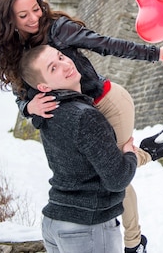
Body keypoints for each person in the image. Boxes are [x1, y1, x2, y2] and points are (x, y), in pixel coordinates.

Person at [0, 0, 163, 252]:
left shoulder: (58, 29)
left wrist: (154, 53)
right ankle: (146, 151)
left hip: (106, 102)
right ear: (9, 20)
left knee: (115, 176)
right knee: (103, 171)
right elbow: (20, 94)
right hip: (74, 113)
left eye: (36, 9)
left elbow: (105, 44)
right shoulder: (14, 51)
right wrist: (29, 107)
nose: (34, 19)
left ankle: (134, 243)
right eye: (23, 15)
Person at [20, 44, 138, 252]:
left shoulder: (47, 114)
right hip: (87, 226)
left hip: (54, 221)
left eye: (61, 57)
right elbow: (117, 179)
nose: (65, 65)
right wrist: (129, 155)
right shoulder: (85, 116)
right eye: (53, 68)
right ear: (44, 87)